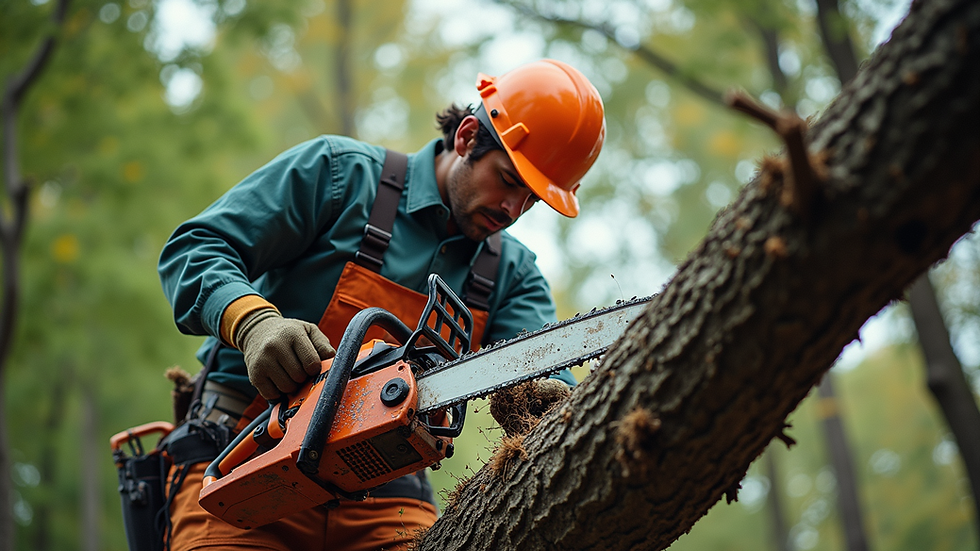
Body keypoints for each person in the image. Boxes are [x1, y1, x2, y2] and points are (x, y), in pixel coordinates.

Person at [157, 58, 605, 551]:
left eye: (533, 201)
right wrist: (254, 323)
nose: (512, 210)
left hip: (386, 493)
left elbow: (548, 375)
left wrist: (549, 401)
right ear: (467, 138)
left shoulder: (512, 274)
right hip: (245, 457)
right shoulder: (341, 176)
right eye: (509, 181)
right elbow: (196, 247)